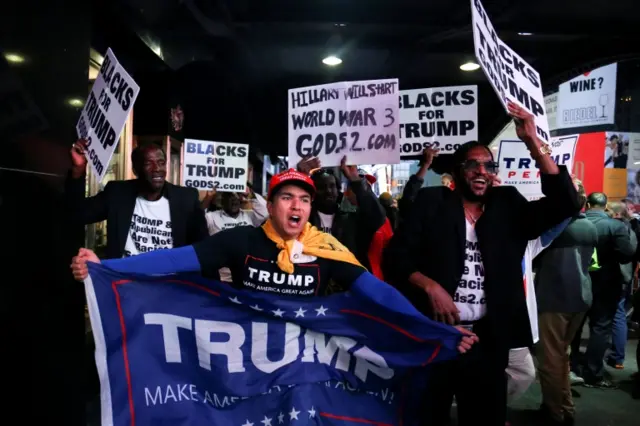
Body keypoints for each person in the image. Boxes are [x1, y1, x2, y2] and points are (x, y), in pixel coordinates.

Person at [71, 168, 478, 352]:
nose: (296, 206)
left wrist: (429, 328)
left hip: (304, 358)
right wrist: (106, 267)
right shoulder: (243, 239)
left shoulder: (326, 248)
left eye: (304, 199)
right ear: (271, 205)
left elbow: (377, 293)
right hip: (246, 354)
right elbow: (176, 259)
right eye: (287, 197)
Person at [383, 102, 580, 426]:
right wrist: (428, 285)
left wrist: (532, 142)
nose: (481, 171)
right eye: (472, 164)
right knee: (426, 414)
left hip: (488, 341)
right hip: (437, 335)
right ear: (459, 170)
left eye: (489, 165)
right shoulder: (434, 202)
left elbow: (566, 203)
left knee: (484, 417)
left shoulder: (508, 204)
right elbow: (395, 257)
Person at [66, 140, 208, 258]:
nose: (157, 168)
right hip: (125, 284)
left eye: (161, 162)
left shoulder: (186, 199)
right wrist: (78, 170)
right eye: (148, 163)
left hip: (168, 285)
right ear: (135, 169)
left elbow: (204, 250)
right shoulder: (118, 193)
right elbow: (77, 214)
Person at [534, 179, 598, 425]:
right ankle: (565, 408)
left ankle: (555, 412)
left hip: (555, 298)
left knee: (550, 359)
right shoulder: (588, 227)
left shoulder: (559, 228)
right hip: (580, 297)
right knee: (562, 355)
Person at [574, 192, 636, 388]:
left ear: (588, 204)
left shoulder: (575, 223)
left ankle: (572, 368)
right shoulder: (615, 226)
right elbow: (627, 255)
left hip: (578, 281)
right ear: (605, 205)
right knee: (601, 328)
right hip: (607, 283)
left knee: (574, 328)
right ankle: (593, 373)